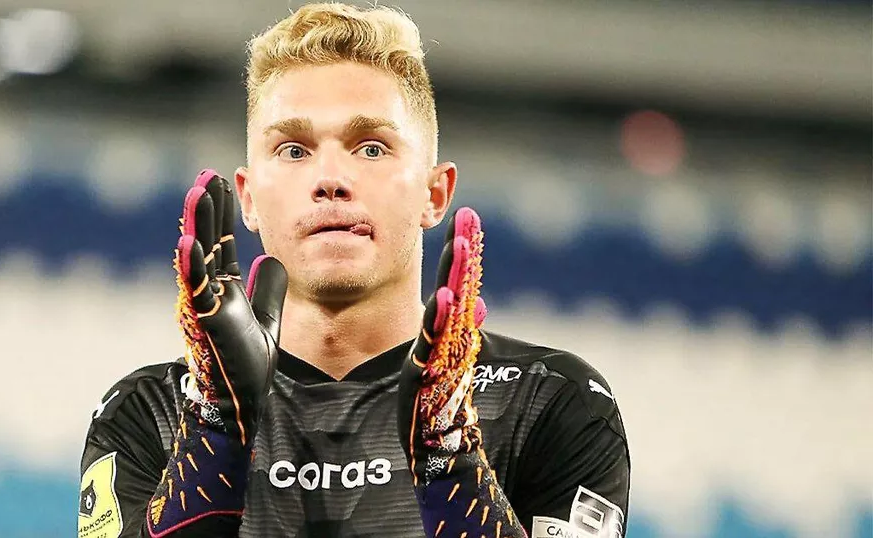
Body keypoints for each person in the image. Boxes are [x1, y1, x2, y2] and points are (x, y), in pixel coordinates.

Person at [77, 3, 630, 538]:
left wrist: (448, 455)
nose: (331, 180)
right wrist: (217, 425)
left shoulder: (549, 401)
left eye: (371, 148)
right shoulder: (148, 412)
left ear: (434, 193)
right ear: (248, 199)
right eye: (294, 150)